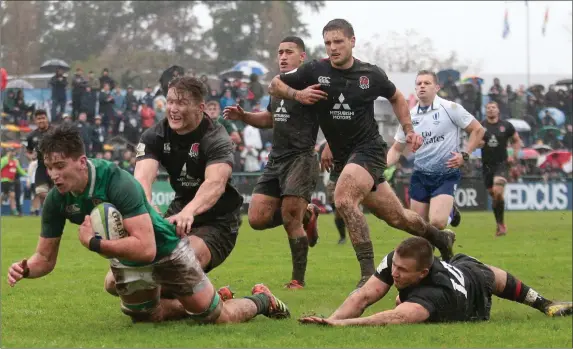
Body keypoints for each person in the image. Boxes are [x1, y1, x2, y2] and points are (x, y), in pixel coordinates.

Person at [7, 124, 290, 324]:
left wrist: (95, 243)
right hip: (128, 259)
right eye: (49, 167)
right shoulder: (57, 200)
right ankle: (210, 295)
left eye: (60, 166)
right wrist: (26, 268)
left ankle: (262, 301)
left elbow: (146, 248)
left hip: (167, 250)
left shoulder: (117, 182)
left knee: (216, 318)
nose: (53, 175)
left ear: (81, 162)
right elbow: (45, 257)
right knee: (145, 316)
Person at [268, 18, 455, 288]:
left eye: (338, 42)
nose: (333, 48)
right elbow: (275, 84)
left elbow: (398, 97)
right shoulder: (313, 70)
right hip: (345, 157)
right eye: (328, 43)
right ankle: (440, 238)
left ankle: (368, 275)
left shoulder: (370, 74)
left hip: (368, 150)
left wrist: (408, 129)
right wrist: (297, 95)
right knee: (397, 217)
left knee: (343, 199)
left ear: (352, 42)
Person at [104, 76, 243, 297]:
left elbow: (215, 183)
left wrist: (189, 212)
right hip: (177, 213)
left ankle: (212, 299)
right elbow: (141, 179)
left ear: (200, 107)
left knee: (181, 265)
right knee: (115, 282)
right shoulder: (155, 134)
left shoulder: (217, 137)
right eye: (170, 102)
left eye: (181, 103)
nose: (173, 109)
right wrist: (146, 207)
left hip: (218, 221)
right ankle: (208, 296)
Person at [299, 236, 572, 326]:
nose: (395, 273)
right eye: (395, 265)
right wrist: (329, 321)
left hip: (471, 296)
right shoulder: (397, 260)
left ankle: (545, 304)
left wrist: (341, 325)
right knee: (474, 266)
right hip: (459, 268)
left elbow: (394, 318)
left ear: (422, 274)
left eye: (403, 271)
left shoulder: (433, 295)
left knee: (487, 274)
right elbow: (364, 296)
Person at [224, 36, 321, 289]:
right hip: (276, 159)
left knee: (290, 220)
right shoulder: (278, 87)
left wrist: (331, 145)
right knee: (256, 219)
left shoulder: (311, 84)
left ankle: (297, 280)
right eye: (280, 52)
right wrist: (244, 116)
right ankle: (308, 214)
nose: (283, 56)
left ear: (302, 56)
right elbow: (270, 118)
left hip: (301, 157)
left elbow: (328, 118)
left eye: (289, 52)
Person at [386, 70, 485, 229]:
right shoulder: (409, 117)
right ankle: (435, 254)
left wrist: (464, 155)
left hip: (445, 173)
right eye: (419, 84)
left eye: (427, 83)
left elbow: (478, 130)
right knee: (419, 228)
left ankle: (449, 213)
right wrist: (381, 167)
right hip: (420, 175)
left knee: (437, 223)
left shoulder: (450, 108)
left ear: (437, 87)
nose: (422, 86)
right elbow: (397, 149)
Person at [481, 101, 521, 236]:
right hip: (486, 166)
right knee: (495, 196)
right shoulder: (481, 126)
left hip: (502, 164)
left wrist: (514, 156)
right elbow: (474, 140)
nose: (491, 110)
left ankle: (501, 225)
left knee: (498, 192)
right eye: (488, 108)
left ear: (498, 111)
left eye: (493, 107)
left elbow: (516, 140)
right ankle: (500, 224)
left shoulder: (506, 126)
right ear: (485, 111)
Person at [26, 110, 53, 206]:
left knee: (59, 192)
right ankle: (52, 207)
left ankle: (55, 210)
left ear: (47, 119)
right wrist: (31, 156)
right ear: (35, 121)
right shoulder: (31, 136)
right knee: (40, 192)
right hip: (41, 166)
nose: (41, 121)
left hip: (55, 166)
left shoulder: (55, 132)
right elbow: (28, 152)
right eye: (38, 119)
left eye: (43, 118)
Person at [1, 147, 27, 215]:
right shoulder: (4, 159)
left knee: (11, 195)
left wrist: (27, 175)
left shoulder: (15, 161)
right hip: (5, 180)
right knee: (7, 195)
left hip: (11, 180)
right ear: (8, 152)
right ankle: (14, 211)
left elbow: (20, 170)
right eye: (11, 151)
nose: (12, 153)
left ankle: (14, 211)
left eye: (13, 152)